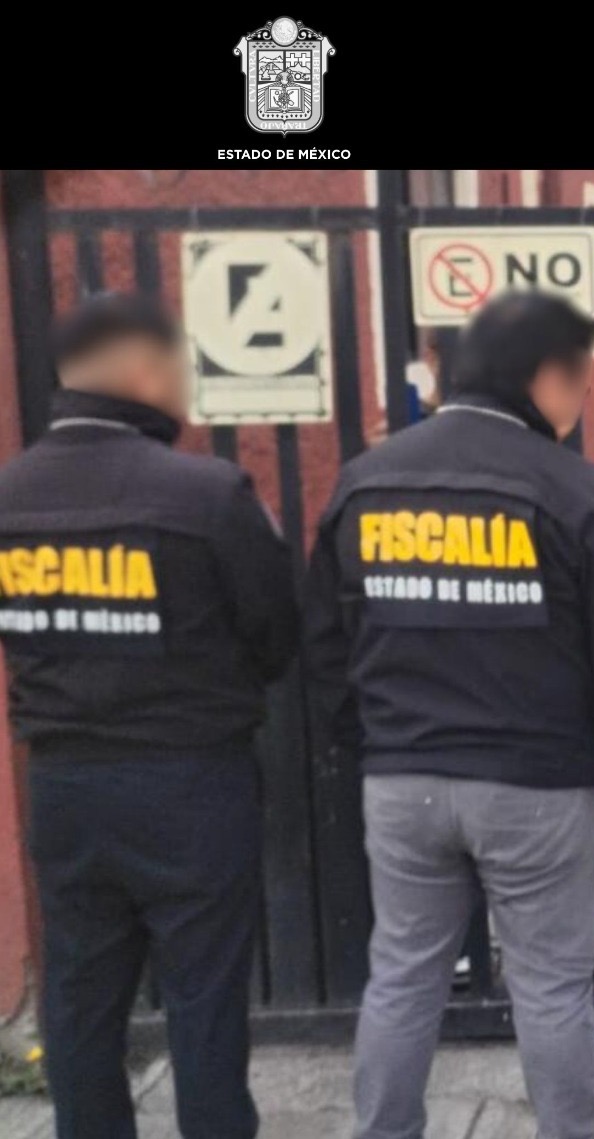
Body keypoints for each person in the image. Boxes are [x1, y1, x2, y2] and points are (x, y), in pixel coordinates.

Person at [304, 291, 594, 1139]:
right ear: (541, 376)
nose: (580, 401)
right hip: (537, 786)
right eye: (578, 381)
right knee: (550, 987)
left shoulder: (366, 482)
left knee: (403, 976)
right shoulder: (578, 493)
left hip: (403, 778)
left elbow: (324, 642)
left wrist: (373, 744)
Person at [0, 293, 298, 1138]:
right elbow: (276, 635)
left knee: (80, 998)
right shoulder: (206, 494)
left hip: (64, 781)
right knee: (205, 998)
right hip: (190, 779)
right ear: (141, 371)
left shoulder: (9, 494)